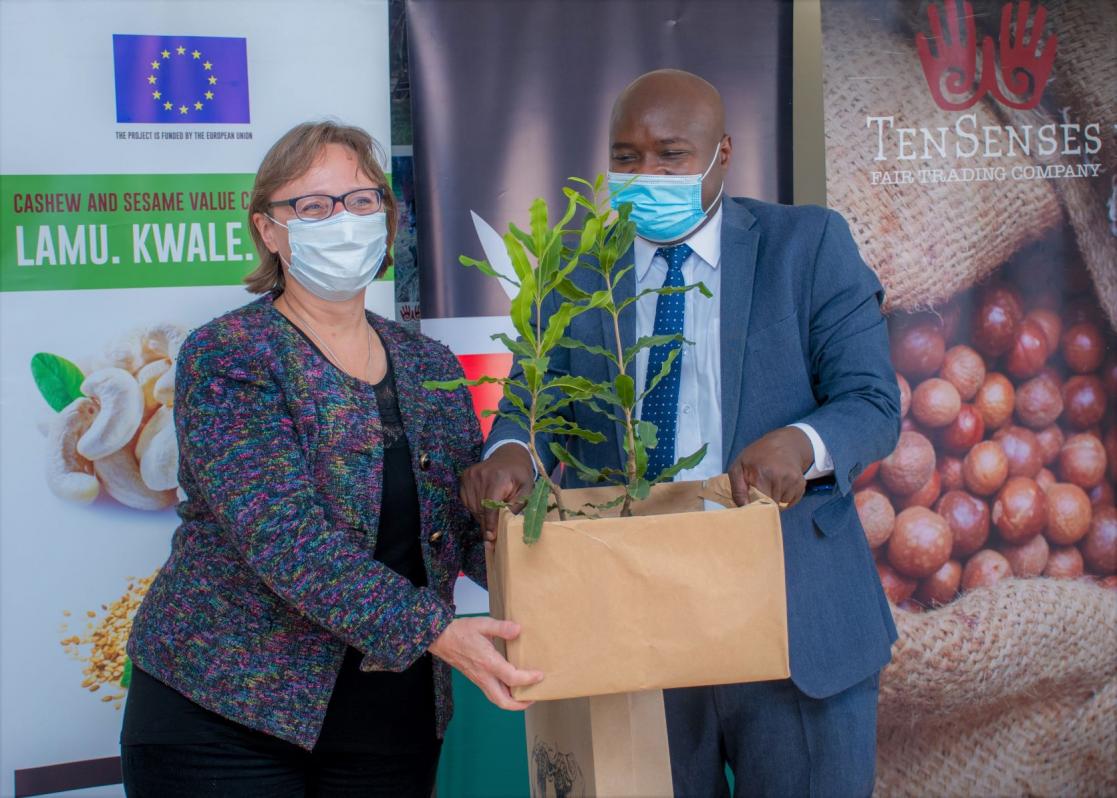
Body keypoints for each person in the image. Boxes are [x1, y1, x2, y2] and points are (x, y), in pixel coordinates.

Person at [462, 69, 901, 797]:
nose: (646, 175)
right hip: (633, 615)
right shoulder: (575, 271)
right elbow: (529, 406)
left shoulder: (807, 246)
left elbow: (870, 402)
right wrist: (509, 453)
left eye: (671, 155)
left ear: (723, 153)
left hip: (791, 613)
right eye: (626, 158)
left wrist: (799, 442)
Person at [121, 120, 542, 797]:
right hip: (227, 712)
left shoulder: (427, 364)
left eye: (361, 200)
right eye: (311, 206)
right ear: (268, 229)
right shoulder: (231, 354)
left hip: (390, 723)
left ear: (387, 215)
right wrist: (438, 631)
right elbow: (284, 537)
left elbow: (460, 534)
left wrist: (531, 528)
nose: (341, 221)